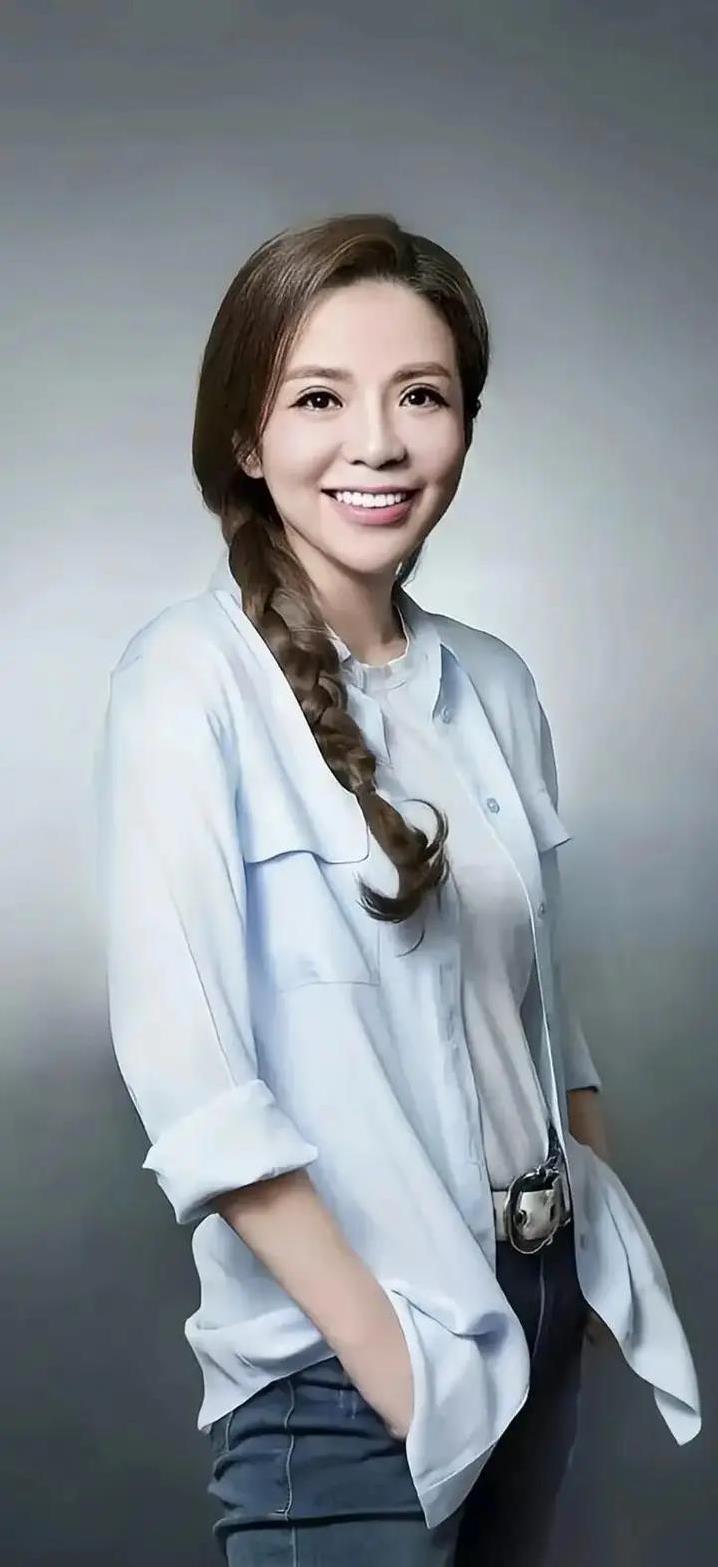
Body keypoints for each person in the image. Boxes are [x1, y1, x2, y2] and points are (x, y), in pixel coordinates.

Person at [94, 212, 700, 1566]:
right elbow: (192, 1083)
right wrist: (398, 1363)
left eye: (419, 395)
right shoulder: (186, 681)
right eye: (319, 398)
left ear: (466, 425)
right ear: (246, 438)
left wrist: (581, 1248)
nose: (376, 442)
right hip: (346, 1361)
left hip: (537, 1304)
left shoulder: (495, 680)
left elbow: (541, 1009)